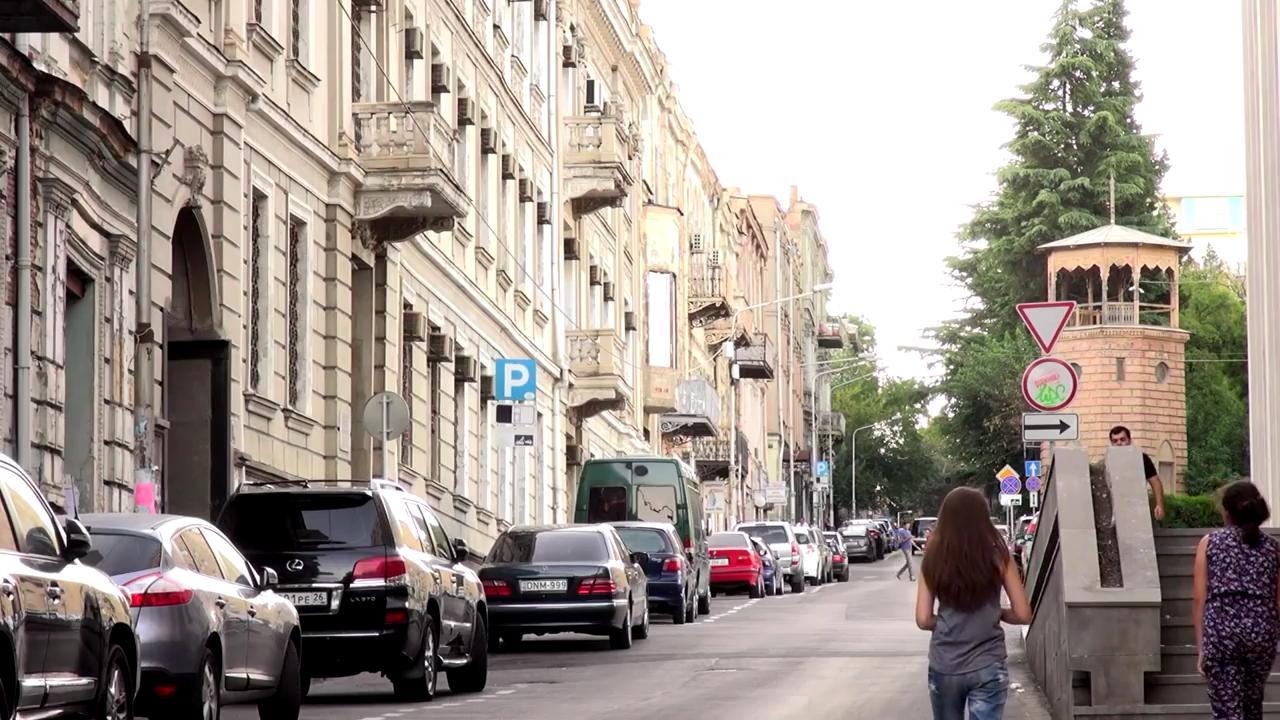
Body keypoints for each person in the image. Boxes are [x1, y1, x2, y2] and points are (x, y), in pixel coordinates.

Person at [916, 487, 1033, 720]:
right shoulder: (999, 557)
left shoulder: (933, 558)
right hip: (988, 664)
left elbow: (923, 619)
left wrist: (951, 620)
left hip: (945, 665)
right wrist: (995, 613)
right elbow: (1023, 614)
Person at [1192, 481, 1279, 720]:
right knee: (1252, 706)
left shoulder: (1210, 543)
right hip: (1261, 633)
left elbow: (1200, 598)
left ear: (1227, 512)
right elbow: (1277, 599)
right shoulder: (1273, 549)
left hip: (1222, 634)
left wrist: (1202, 647)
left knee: (1227, 710)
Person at [1108, 425, 1166, 520]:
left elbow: (1155, 482)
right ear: (1111, 443)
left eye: (1122, 439)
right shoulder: (1107, 461)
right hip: (1114, 509)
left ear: (1129, 441)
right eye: (1115, 441)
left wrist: (1159, 505)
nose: (1119, 443)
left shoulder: (1141, 459)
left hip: (1138, 508)